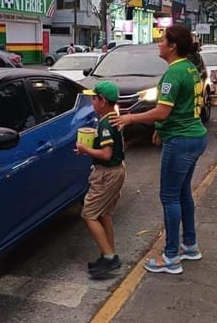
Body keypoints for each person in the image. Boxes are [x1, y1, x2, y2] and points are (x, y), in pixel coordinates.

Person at [112, 24, 207, 275]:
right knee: (183, 193)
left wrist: (130, 119)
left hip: (181, 141)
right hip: (193, 137)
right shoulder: (190, 68)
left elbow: (163, 111)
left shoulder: (174, 73)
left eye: (162, 39)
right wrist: (159, 129)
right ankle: (190, 245)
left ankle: (171, 257)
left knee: (169, 197)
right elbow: (179, 109)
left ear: (173, 45)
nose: (159, 43)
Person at [75, 80, 126, 279]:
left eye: (94, 99)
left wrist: (85, 149)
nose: (92, 103)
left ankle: (110, 257)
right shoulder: (114, 117)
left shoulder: (105, 123)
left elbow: (106, 154)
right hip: (116, 170)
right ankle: (108, 254)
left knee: (89, 215)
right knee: (104, 213)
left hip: (107, 173)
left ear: (102, 101)